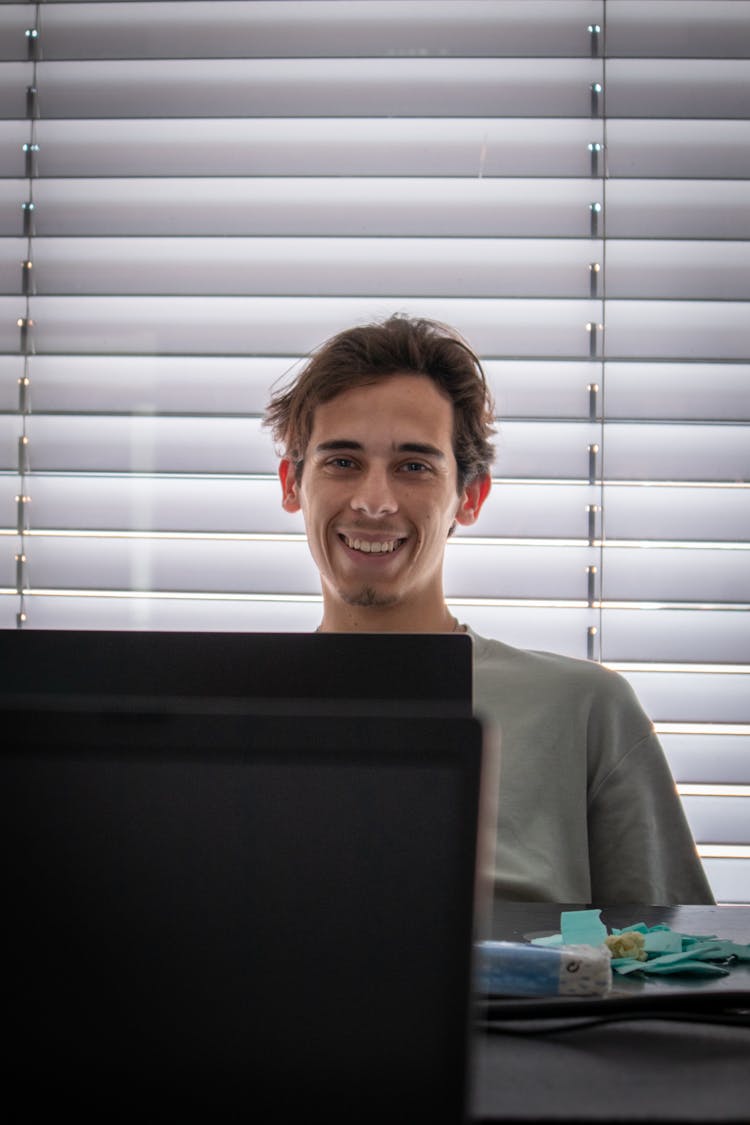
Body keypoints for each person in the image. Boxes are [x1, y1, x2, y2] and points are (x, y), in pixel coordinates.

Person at [264, 313, 714, 906]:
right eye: (342, 462)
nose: (374, 502)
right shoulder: (225, 714)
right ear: (292, 485)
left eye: (414, 466)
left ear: (469, 498)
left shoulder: (584, 712)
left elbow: (673, 970)